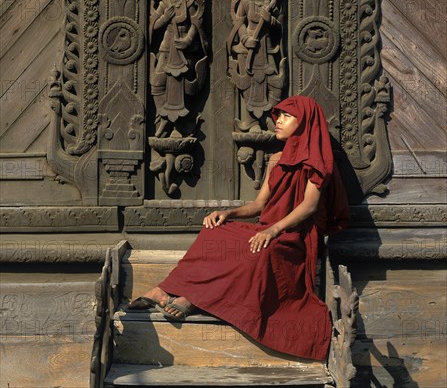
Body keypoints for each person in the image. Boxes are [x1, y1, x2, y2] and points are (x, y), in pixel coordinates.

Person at [128, 95, 350, 360]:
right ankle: (166, 289)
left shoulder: (317, 161)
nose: (277, 121)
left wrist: (273, 231)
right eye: (277, 116)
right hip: (268, 228)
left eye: (286, 117)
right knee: (215, 233)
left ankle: (194, 299)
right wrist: (228, 212)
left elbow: (309, 206)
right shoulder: (276, 159)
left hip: (293, 238)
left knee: (260, 254)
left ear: (305, 122)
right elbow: (259, 205)